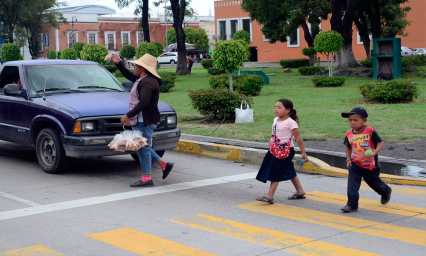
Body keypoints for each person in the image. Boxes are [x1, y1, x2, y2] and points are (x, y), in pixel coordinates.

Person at [112, 53, 174, 187]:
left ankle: (147, 178)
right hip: (140, 119)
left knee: (142, 148)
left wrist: (128, 115)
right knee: (141, 146)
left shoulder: (148, 81)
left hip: (144, 120)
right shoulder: (143, 79)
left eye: (136, 65)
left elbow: (144, 101)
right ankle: (163, 165)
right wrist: (118, 64)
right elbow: (130, 76)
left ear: (143, 68)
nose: (134, 67)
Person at [256, 99, 309, 204]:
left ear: (288, 110)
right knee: (288, 169)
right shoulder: (275, 120)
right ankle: (300, 191)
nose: (276, 109)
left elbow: (298, 138)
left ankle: (269, 196)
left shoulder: (291, 123)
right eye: (275, 107)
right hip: (275, 150)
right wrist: (271, 140)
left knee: (276, 171)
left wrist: (304, 153)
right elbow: (274, 134)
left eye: (279, 107)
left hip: (286, 151)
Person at [341, 107, 392, 212]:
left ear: (364, 121)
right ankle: (351, 205)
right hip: (355, 164)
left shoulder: (370, 130)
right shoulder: (349, 134)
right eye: (350, 120)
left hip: (370, 165)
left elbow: (380, 143)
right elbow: (348, 146)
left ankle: (386, 191)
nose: (352, 123)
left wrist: (375, 152)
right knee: (352, 184)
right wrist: (348, 159)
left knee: (375, 184)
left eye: (356, 120)